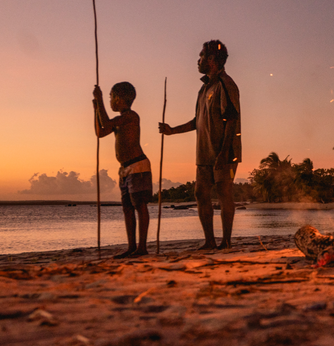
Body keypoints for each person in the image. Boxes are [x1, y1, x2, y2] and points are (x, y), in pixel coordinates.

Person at [159, 40, 241, 250]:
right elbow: (197, 121)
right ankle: (209, 240)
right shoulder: (204, 88)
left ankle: (226, 241)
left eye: (201, 56)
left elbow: (231, 120)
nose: (198, 60)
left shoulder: (226, 84)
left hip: (225, 152)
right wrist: (172, 130)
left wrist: (223, 153)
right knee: (200, 193)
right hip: (204, 152)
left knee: (224, 193)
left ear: (212, 60)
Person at [93, 81, 152, 258]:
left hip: (138, 166)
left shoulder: (130, 116)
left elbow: (106, 122)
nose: (110, 101)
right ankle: (132, 246)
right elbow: (101, 131)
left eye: (111, 97)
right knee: (127, 207)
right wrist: (96, 109)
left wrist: (100, 100)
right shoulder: (118, 121)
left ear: (118, 99)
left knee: (139, 205)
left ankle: (142, 246)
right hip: (125, 169)